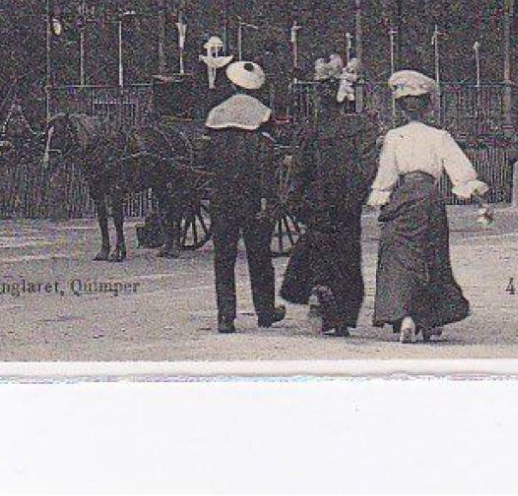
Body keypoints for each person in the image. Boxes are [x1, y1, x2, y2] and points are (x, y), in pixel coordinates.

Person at [367, 70, 489, 343]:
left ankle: (406, 317)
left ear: (400, 108)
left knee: (400, 257)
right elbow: (461, 174)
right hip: (430, 199)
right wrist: (480, 202)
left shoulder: (393, 137)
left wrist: (380, 201)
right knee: (432, 257)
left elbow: (386, 178)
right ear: (428, 106)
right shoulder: (440, 136)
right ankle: (429, 318)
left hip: (404, 199)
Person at [279, 75, 378, 337]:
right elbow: (368, 167)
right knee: (347, 256)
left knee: (319, 250)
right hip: (346, 203)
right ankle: (343, 317)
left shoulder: (309, 129)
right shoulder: (361, 127)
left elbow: (299, 169)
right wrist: (356, 194)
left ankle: (320, 294)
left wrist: (294, 198)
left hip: (316, 202)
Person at [207, 60, 285, 334]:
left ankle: (225, 317)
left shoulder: (216, 114)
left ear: (231, 84)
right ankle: (265, 312)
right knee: (259, 256)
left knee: (224, 258)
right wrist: (269, 197)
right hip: (252, 197)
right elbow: (267, 161)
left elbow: (207, 160)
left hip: (221, 197)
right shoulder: (263, 115)